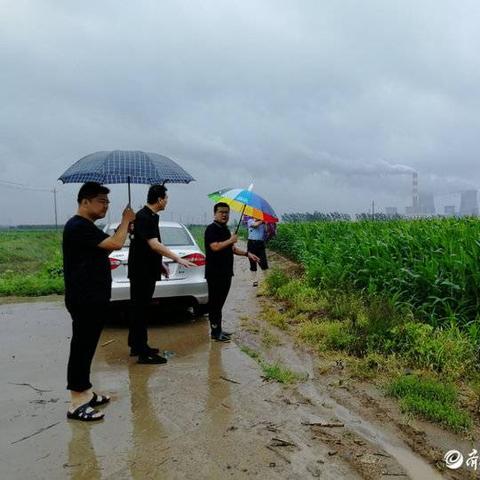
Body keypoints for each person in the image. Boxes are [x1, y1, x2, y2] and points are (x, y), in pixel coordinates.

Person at [63, 181, 135, 421]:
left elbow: (109, 246)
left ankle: (86, 391)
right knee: (81, 346)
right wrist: (125, 221)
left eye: (107, 202)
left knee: (89, 345)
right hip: (84, 298)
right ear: (85, 201)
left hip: (93, 297)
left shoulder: (87, 227)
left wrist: (126, 226)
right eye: (101, 201)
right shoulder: (78, 226)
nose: (106, 206)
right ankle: (76, 402)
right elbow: (115, 244)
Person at [128, 184, 196, 364]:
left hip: (147, 268)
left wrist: (160, 264)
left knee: (140, 308)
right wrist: (177, 258)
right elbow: (154, 244)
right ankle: (143, 353)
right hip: (141, 272)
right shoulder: (143, 217)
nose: (167, 201)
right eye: (166, 198)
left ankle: (137, 345)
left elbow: (147, 247)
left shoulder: (150, 216)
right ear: (159, 199)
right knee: (140, 310)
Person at [204, 203, 260, 342]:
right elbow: (215, 247)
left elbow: (232, 249)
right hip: (215, 273)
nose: (224, 215)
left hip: (226, 272)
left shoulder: (225, 229)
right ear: (215, 213)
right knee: (215, 303)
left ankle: (218, 330)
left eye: (227, 212)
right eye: (221, 212)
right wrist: (230, 240)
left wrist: (248, 254)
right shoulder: (211, 229)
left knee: (220, 302)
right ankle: (215, 332)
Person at [246, 217, 269, 287]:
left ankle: (266, 280)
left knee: (263, 262)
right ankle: (254, 280)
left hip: (260, 244)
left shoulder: (262, 222)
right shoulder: (250, 221)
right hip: (251, 243)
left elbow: (266, 230)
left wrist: (265, 224)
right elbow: (255, 225)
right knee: (252, 262)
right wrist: (262, 221)